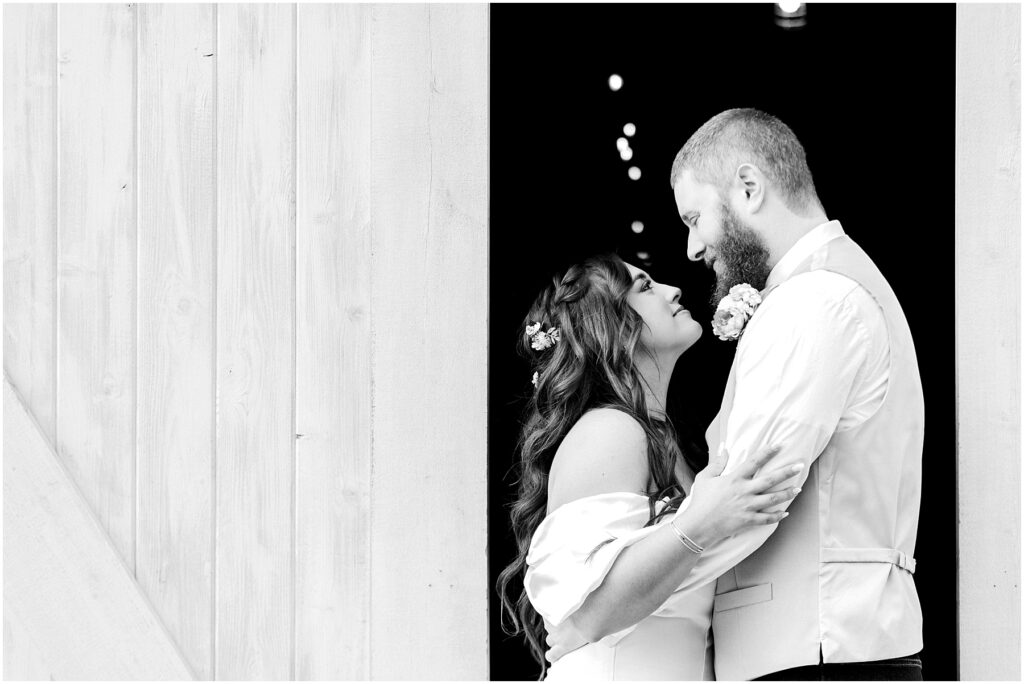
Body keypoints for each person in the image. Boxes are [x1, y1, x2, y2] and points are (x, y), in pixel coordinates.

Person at [546, 109, 926, 680]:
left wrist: (597, 611)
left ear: (749, 189)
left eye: (695, 218)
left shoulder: (814, 301)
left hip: (818, 649)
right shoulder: (822, 290)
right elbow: (727, 505)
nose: (692, 249)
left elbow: (746, 502)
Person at [496, 254, 804, 680]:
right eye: (644, 287)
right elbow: (589, 614)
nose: (672, 290)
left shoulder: (669, 438)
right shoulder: (609, 431)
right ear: (614, 327)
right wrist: (700, 523)